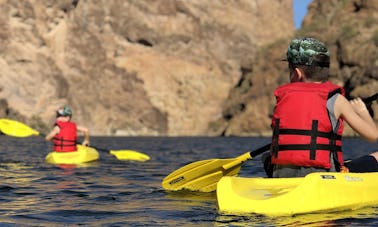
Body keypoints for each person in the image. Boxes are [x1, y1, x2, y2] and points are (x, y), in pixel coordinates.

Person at [263, 37, 378, 178]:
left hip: (282, 174)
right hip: (324, 178)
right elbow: (373, 135)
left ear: (297, 73)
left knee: (268, 156)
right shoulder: (337, 100)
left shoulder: (283, 97)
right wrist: (362, 111)